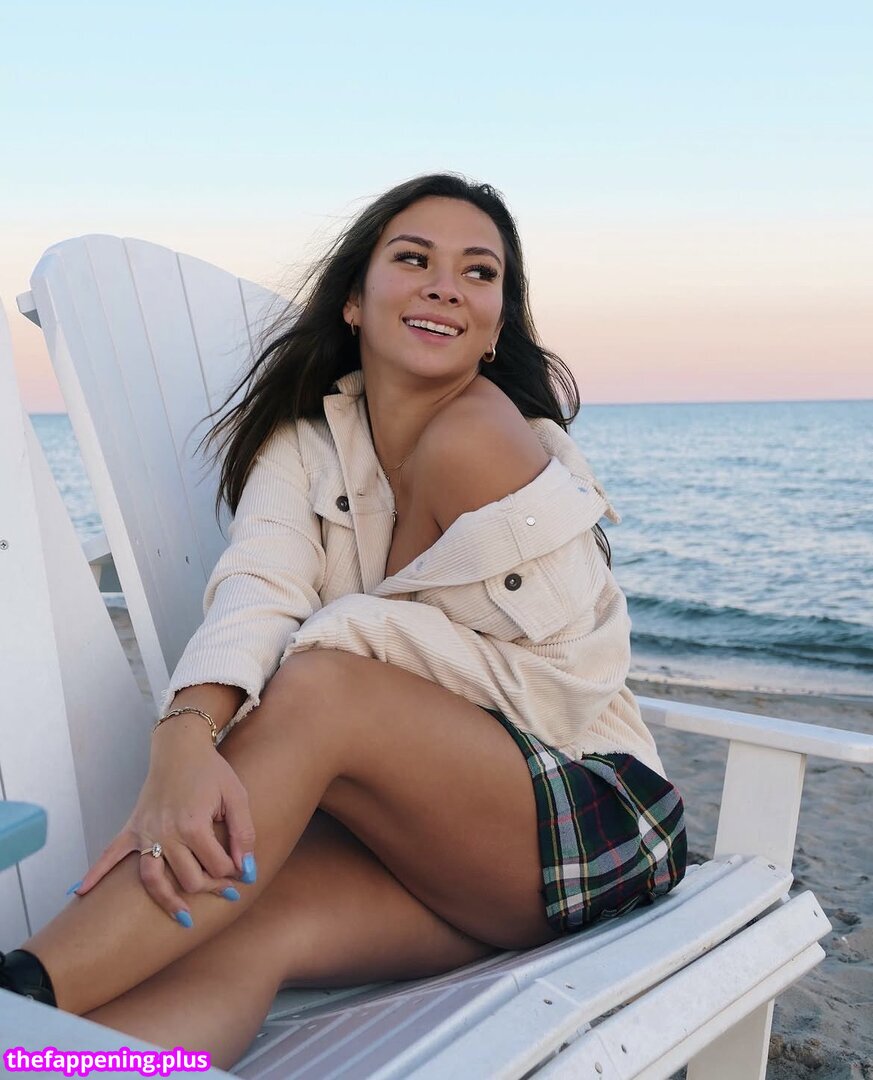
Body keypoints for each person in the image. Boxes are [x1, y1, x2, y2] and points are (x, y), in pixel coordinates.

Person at [0, 173, 686, 1068]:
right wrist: (182, 738)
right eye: (414, 259)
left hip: (587, 824)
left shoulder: (484, 438)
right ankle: (36, 1057)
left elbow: (566, 689)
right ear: (354, 302)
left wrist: (344, 638)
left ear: (494, 328)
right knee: (244, 926)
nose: (446, 286)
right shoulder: (305, 446)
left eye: (478, 273)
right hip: (417, 847)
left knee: (324, 687)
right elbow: (258, 588)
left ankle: (19, 992)